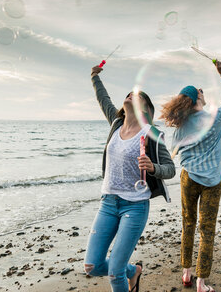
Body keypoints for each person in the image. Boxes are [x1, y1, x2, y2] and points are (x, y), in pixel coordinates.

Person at [84, 65, 176, 292]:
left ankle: (126, 274)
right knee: (92, 266)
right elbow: (102, 98)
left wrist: (153, 167)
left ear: (145, 108)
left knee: (115, 274)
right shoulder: (115, 124)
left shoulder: (152, 135)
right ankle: (133, 271)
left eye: (138, 96)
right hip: (108, 203)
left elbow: (170, 169)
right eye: (128, 94)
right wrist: (95, 76)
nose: (130, 96)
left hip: (134, 206)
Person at [160, 60, 221, 292]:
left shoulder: (180, 127)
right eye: (200, 91)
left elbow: (174, 152)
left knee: (188, 224)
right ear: (196, 99)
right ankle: (201, 283)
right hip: (212, 180)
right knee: (207, 229)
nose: (203, 92)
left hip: (188, 178)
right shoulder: (214, 117)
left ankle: (186, 274)